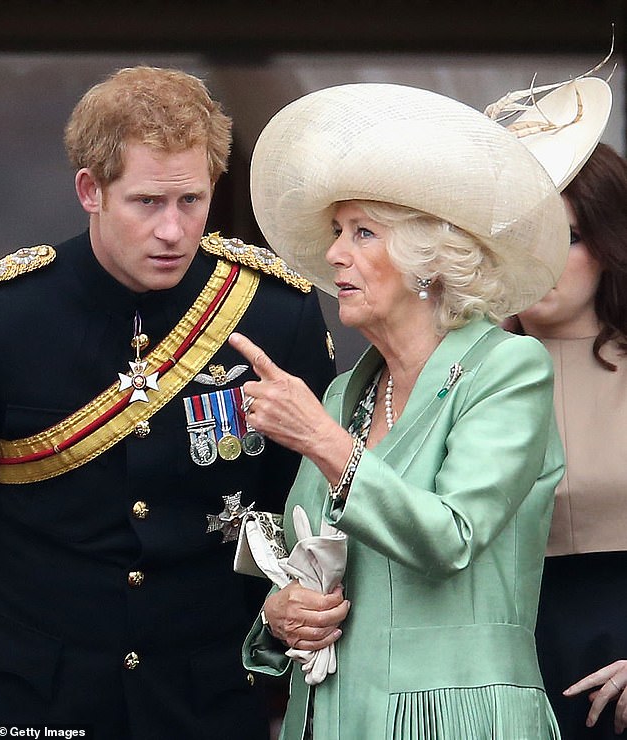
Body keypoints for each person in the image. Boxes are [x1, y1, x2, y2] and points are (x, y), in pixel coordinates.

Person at [0, 66, 335, 739]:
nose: (174, 231)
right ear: (91, 191)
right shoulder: (9, 317)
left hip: (205, 694)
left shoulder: (272, 314)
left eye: (192, 201)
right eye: (148, 203)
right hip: (39, 696)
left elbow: (304, 509)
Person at [228, 82, 571, 739]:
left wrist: (322, 441)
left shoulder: (507, 372)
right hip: (327, 716)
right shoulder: (342, 397)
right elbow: (303, 563)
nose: (334, 255)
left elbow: (452, 536)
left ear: (427, 262)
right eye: (336, 231)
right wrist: (281, 611)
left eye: (362, 232)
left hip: (457, 718)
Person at [509, 142, 627, 738]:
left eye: (571, 237)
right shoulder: (450, 379)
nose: (543, 260)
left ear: (610, 246)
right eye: (523, 236)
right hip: (503, 663)